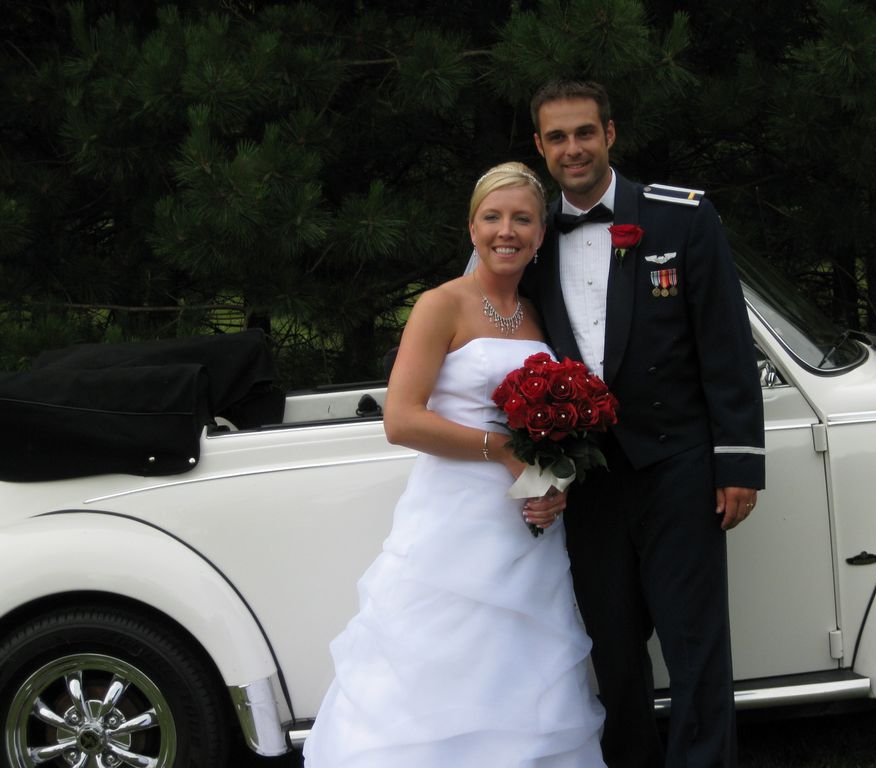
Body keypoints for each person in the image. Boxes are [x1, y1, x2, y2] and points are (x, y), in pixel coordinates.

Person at [303, 161, 606, 767]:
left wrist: (550, 484)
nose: (507, 231)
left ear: (541, 234)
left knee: (520, 665)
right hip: (454, 521)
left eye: (523, 219)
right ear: (472, 228)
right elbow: (402, 420)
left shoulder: (540, 316)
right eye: (493, 217)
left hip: (527, 527)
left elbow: (547, 430)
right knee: (439, 663)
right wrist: (506, 452)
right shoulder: (440, 306)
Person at [522, 79, 766, 767]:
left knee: (696, 647)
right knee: (614, 649)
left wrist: (739, 464)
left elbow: (724, 346)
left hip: (678, 468)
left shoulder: (682, 218)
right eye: (559, 137)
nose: (574, 149)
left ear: (611, 134)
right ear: (540, 147)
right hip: (588, 479)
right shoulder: (529, 234)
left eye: (585, 133)